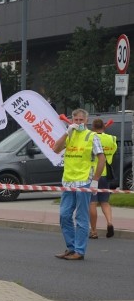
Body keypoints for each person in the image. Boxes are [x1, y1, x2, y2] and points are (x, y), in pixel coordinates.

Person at [53, 109, 105, 260]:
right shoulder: (70, 134)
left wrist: (95, 180)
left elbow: (101, 159)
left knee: (81, 218)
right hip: (68, 181)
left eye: (81, 120)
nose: (78, 123)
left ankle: (79, 251)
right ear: (72, 121)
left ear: (86, 121)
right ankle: (71, 247)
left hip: (84, 182)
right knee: (64, 216)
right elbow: (56, 149)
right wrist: (66, 133)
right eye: (76, 120)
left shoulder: (91, 136)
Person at [89, 118, 117, 239]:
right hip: (105, 174)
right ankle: (109, 222)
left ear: (93, 127)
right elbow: (113, 151)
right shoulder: (112, 139)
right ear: (104, 127)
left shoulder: (91, 138)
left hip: (93, 174)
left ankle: (94, 231)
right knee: (105, 201)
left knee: (92, 203)